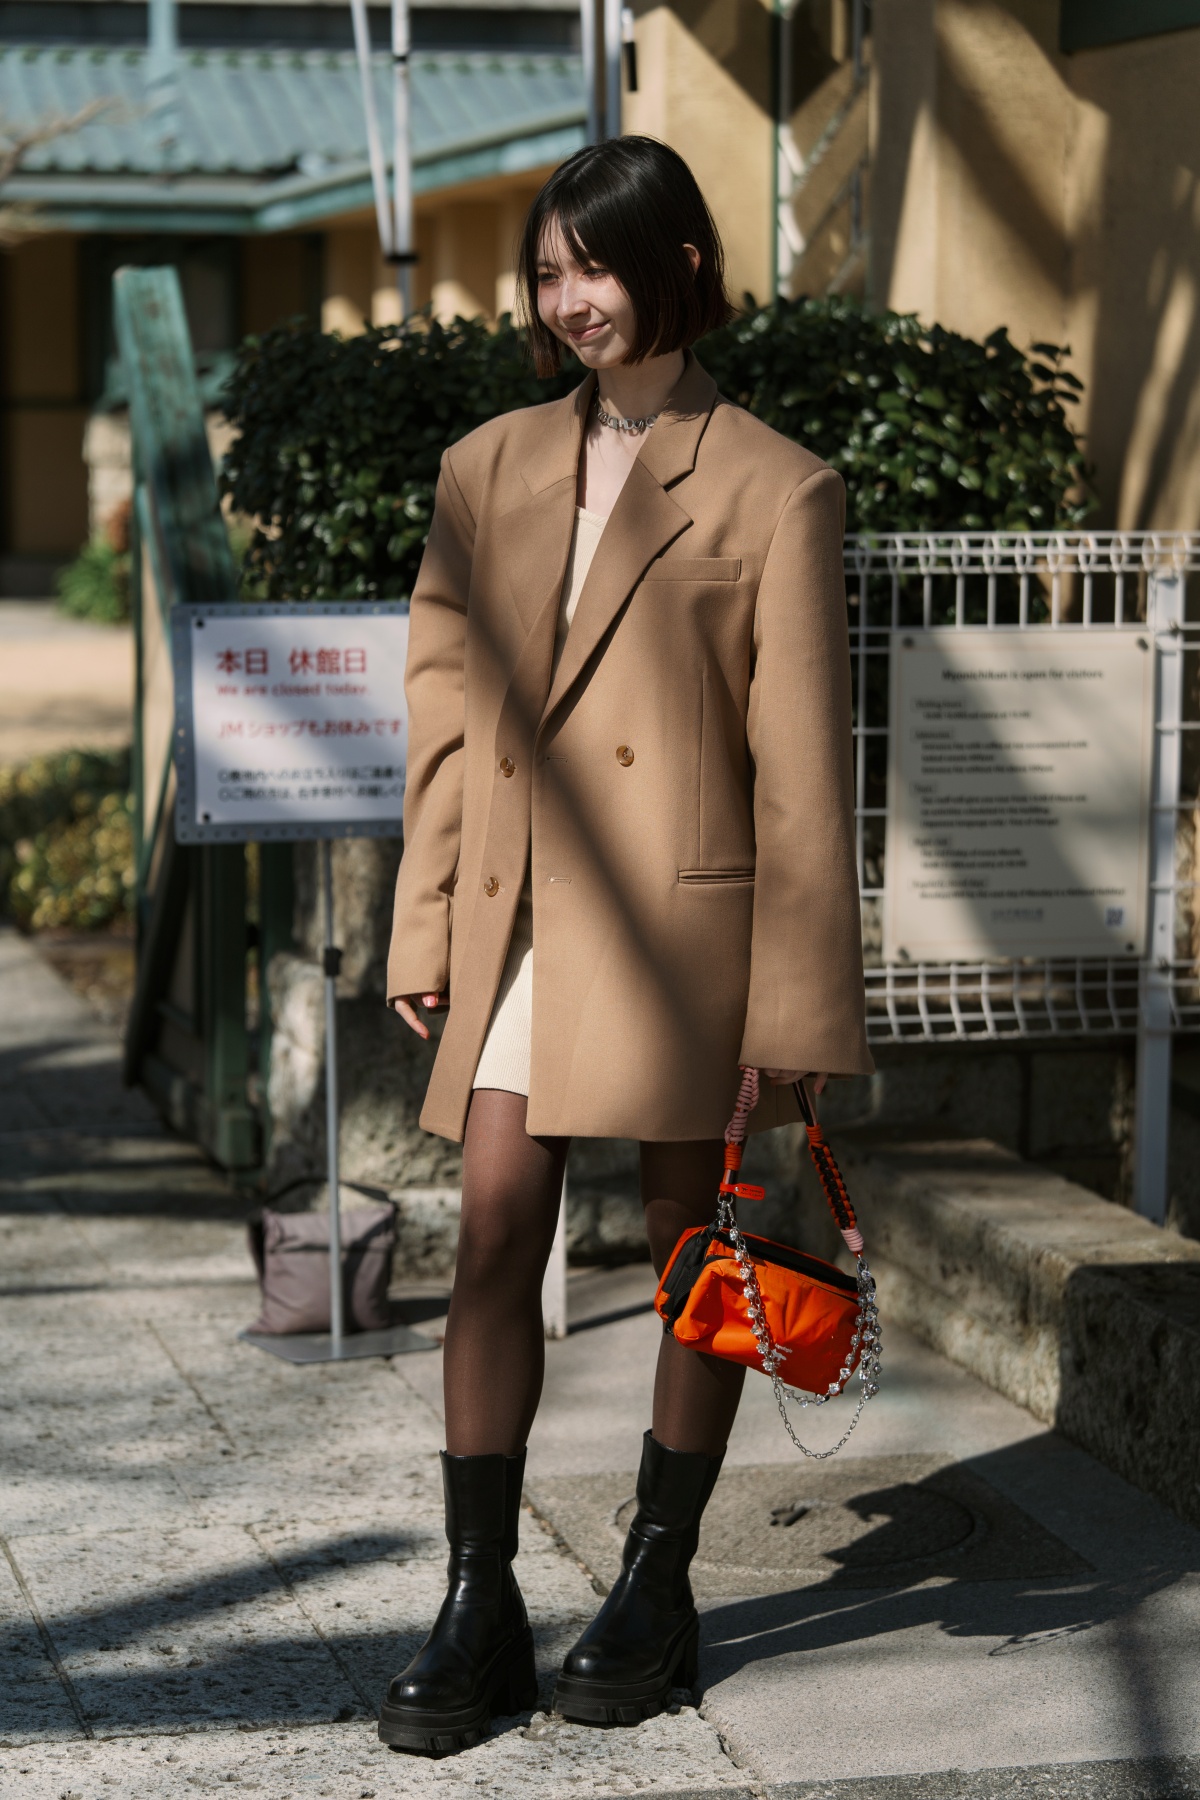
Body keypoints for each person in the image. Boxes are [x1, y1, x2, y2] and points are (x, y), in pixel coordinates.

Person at [378, 135, 872, 1754]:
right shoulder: (487, 464)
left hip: (684, 932)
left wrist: (793, 1004)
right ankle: (479, 1596)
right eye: (546, 269)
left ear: (675, 267)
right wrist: (429, 911)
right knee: (496, 1234)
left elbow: (803, 772)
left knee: (692, 1261)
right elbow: (443, 718)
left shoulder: (775, 485)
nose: (568, 298)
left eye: (595, 265)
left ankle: (657, 1584)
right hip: (523, 918)